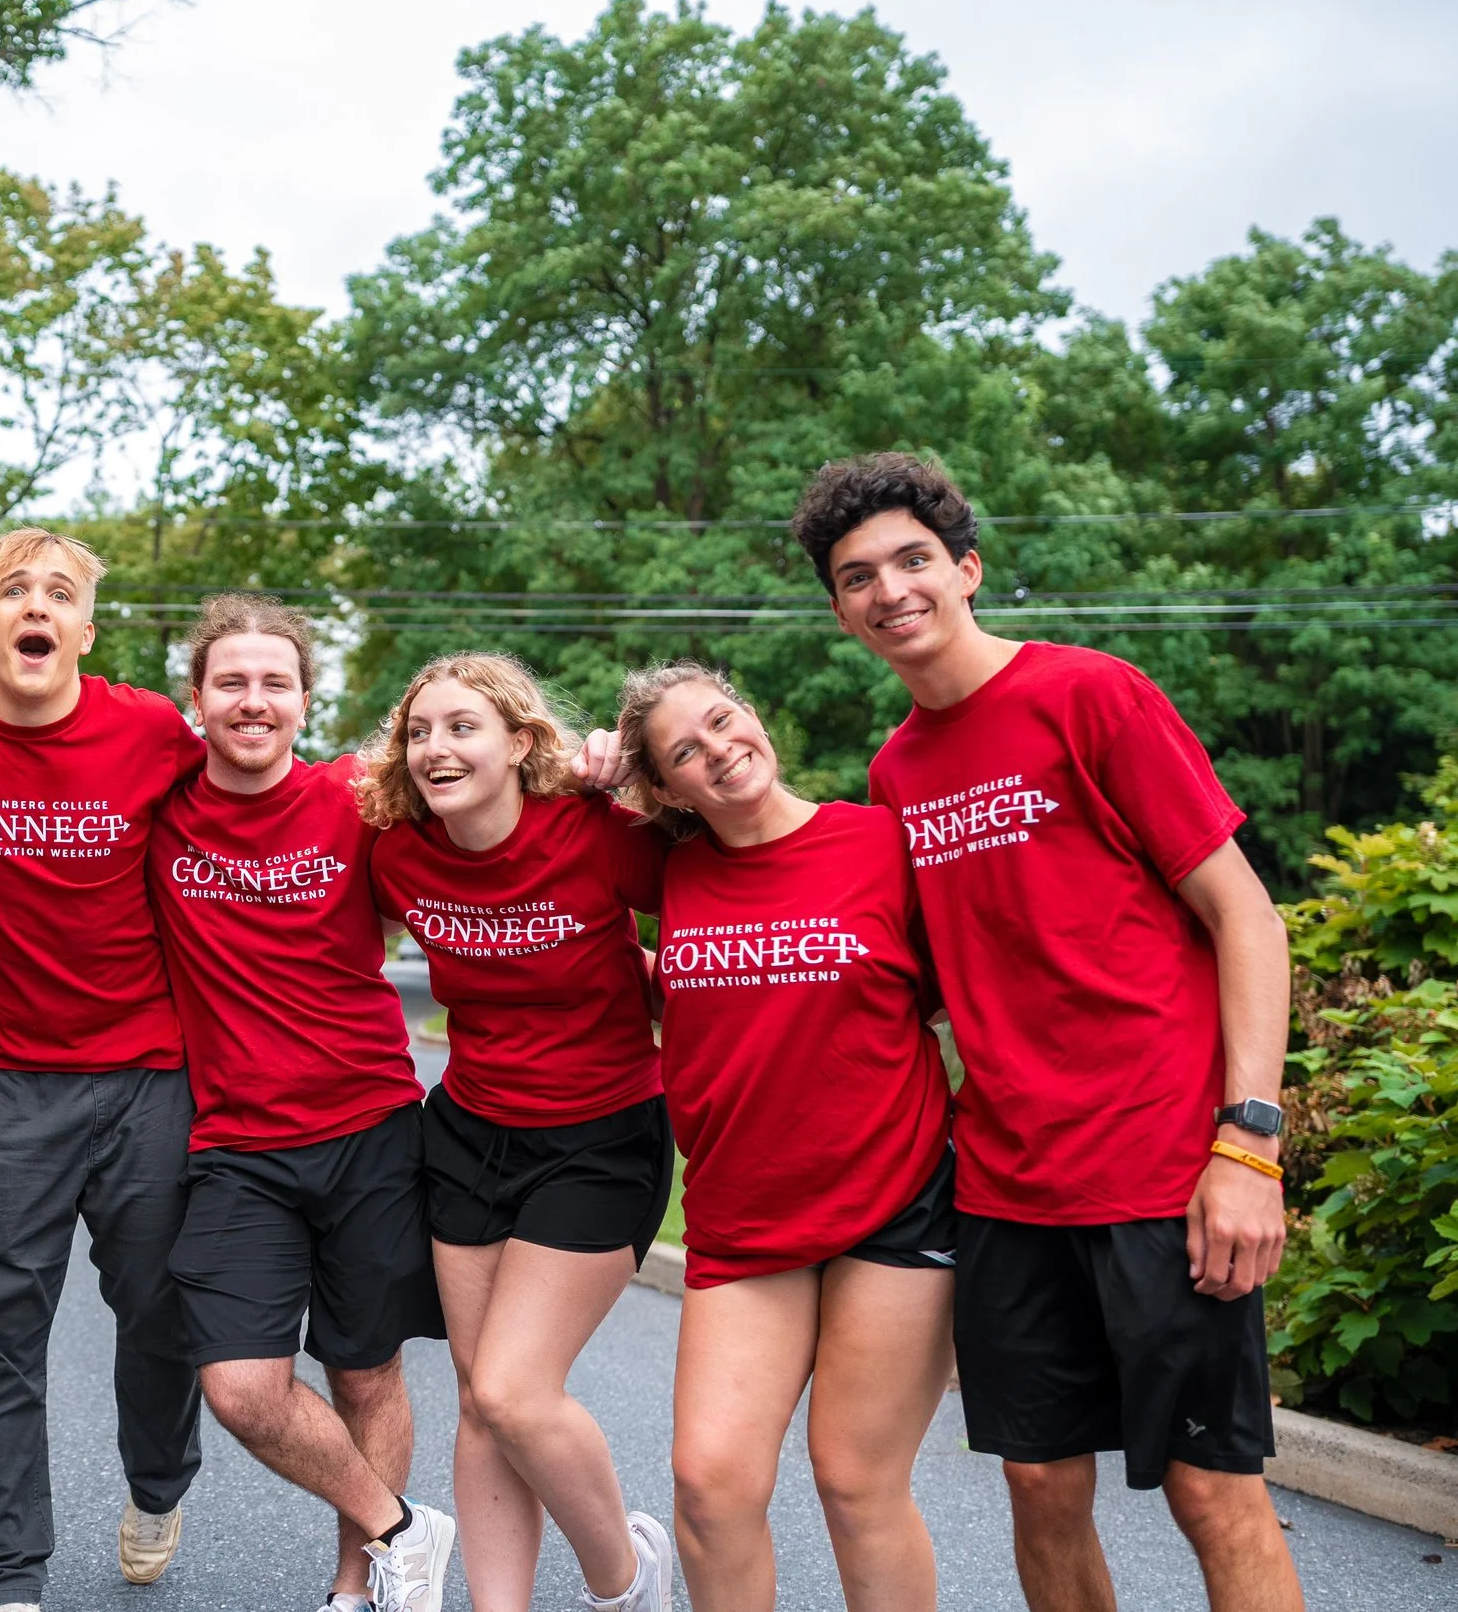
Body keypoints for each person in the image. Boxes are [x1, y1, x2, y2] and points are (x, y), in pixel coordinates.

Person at [793, 453, 1304, 1612]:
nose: (890, 589)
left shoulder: (1091, 693)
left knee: (1208, 1489)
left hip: (1163, 1166)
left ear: (964, 567)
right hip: (1008, 1183)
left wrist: (1248, 1146)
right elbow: (923, 972)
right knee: (1035, 1481)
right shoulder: (895, 768)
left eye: (912, 560)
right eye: (858, 575)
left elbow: (1245, 916)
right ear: (839, 609)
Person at [0, 528, 206, 1612]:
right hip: (2, 1081)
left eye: (60, 592)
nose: (38, 604)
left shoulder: (155, 729)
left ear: (85, 627)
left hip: (145, 1071)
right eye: (13, 591)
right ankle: (7, 1575)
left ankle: (159, 1479)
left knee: (159, 1307)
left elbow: (268, 791)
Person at [611, 660, 956, 1612]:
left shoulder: (882, 842)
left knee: (855, 1480)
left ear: (754, 712)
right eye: (686, 749)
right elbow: (530, 828)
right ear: (664, 789)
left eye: (724, 719)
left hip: (893, 1199)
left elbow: (965, 987)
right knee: (711, 1485)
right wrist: (593, 767)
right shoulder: (669, 869)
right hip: (742, 1212)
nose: (719, 749)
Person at [146, 595, 455, 1612]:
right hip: (236, 1145)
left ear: (304, 699)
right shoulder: (159, 805)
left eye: (274, 681)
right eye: (230, 680)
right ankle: (406, 1525)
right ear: (195, 698)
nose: (252, 699)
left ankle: (357, 1587)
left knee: (367, 1374)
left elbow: (489, 836)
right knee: (239, 1384)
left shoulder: (356, 801)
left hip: (369, 1126)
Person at [357, 653, 674, 1612]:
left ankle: (626, 1576)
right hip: (467, 1129)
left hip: (601, 1133)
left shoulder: (594, 832)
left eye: (463, 727)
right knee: (476, 1388)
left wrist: (641, 771)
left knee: (514, 1387)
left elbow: (728, 856)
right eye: (419, 731)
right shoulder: (398, 851)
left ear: (521, 743)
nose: (435, 748)